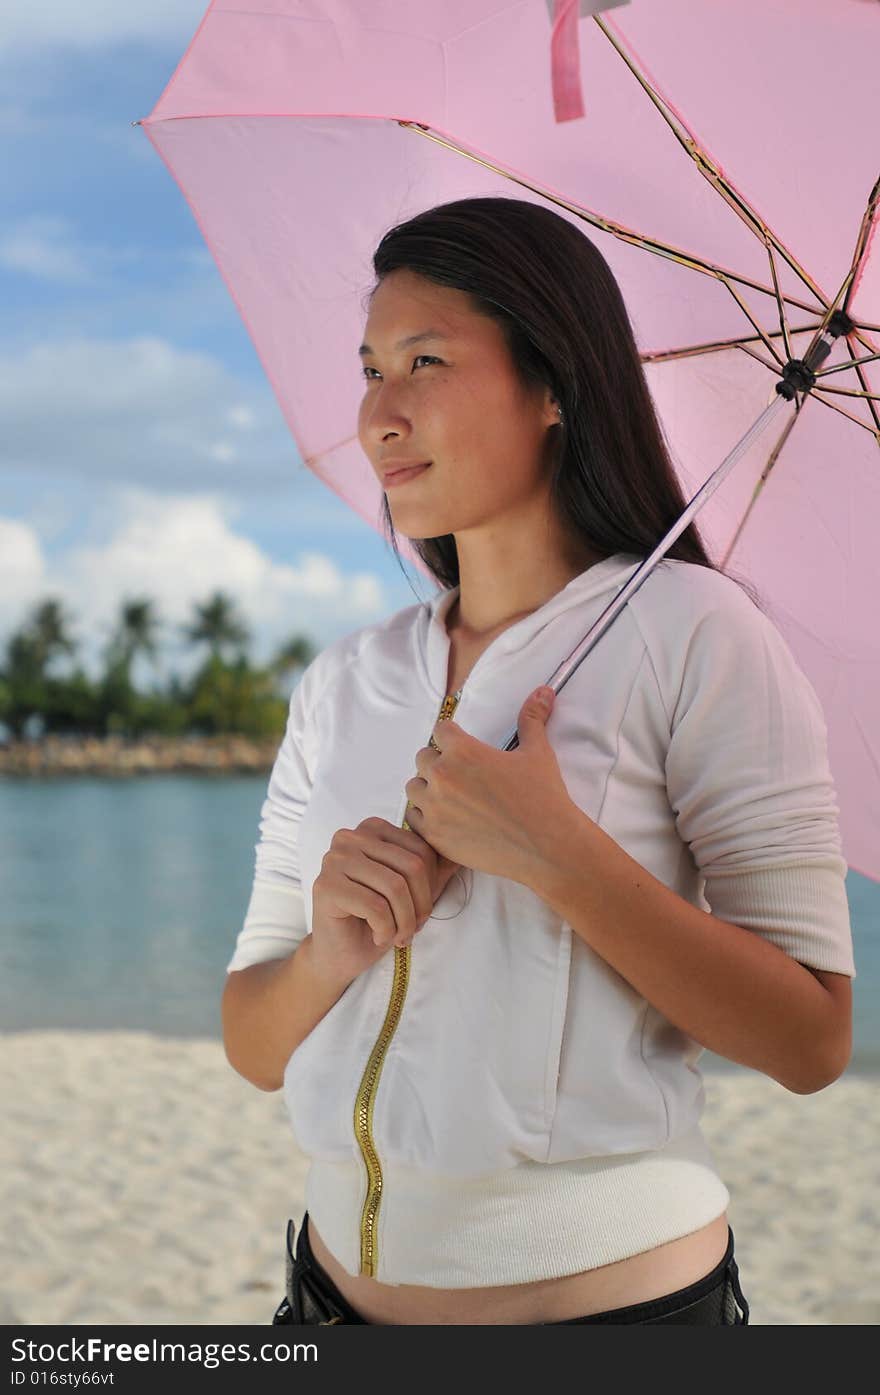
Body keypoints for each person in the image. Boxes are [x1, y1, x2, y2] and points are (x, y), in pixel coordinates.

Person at [221, 196, 856, 1326]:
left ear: (554, 384)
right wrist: (328, 951)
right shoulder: (343, 681)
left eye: (424, 362)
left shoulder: (697, 634)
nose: (378, 415)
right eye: (368, 368)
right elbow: (255, 1044)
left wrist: (562, 860)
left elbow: (809, 1040)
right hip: (322, 1306)